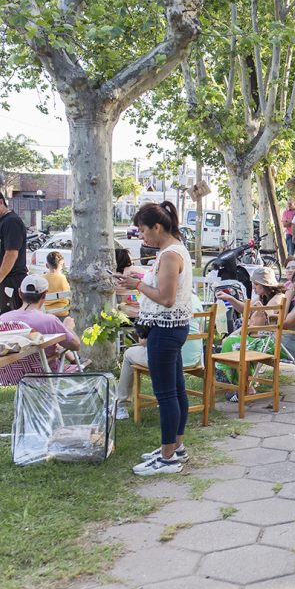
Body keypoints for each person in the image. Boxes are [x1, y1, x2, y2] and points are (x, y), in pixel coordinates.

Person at [115, 202, 195, 476]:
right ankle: (176, 447)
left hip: (166, 330)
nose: (141, 236)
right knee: (176, 390)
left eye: (142, 230)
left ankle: (167, 456)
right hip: (171, 328)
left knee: (166, 394)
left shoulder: (170, 255)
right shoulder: (173, 250)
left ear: (157, 227)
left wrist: (136, 284)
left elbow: (166, 298)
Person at [116, 295, 205, 420]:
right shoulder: (195, 299)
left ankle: (122, 405)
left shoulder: (158, 304)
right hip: (193, 358)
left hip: (167, 358)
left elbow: (143, 342)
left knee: (129, 354)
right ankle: (165, 398)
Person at [215, 267, 284, 396]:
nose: (253, 288)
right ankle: (237, 384)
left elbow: (272, 319)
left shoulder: (278, 298)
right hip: (259, 336)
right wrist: (229, 298)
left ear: (266, 285)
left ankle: (241, 385)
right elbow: (246, 310)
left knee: (232, 342)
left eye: (256, 284)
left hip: (268, 340)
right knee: (230, 340)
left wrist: (262, 309)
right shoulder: (263, 296)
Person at [0, 274, 81, 370]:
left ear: (20, 293)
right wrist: (68, 328)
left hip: (11, 375)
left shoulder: (3, 319)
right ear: (45, 295)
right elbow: (76, 346)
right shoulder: (49, 321)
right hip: (44, 375)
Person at [43, 251, 71, 316]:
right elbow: (70, 297)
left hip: (46, 313)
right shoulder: (64, 278)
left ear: (47, 265)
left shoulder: (42, 279)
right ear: (62, 265)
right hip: (63, 313)